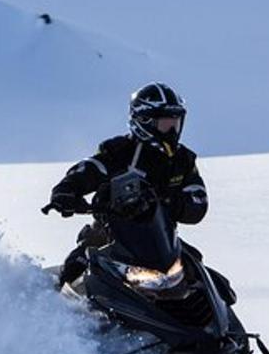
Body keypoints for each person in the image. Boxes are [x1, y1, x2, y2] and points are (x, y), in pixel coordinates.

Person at [47, 82, 209, 287]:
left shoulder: (183, 160)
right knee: (74, 269)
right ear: (144, 121)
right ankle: (57, 313)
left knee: (206, 279)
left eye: (175, 122)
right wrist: (65, 192)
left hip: (162, 241)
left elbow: (198, 200)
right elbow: (89, 169)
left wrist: (165, 201)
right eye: (166, 123)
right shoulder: (119, 151)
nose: (172, 130)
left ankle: (219, 319)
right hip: (111, 236)